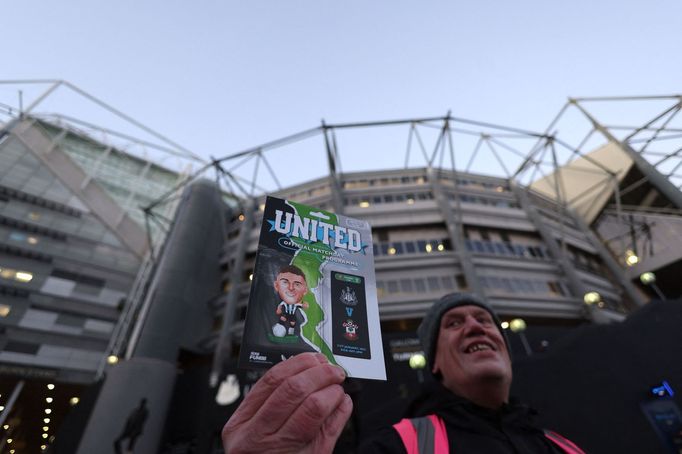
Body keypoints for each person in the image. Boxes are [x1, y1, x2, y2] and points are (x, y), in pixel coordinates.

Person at [222, 293, 585, 453]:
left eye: (486, 321)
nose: (476, 327)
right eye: (455, 323)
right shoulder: (400, 445)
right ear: (435, 363)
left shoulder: (563, 445)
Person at [273, 265, 309, 337]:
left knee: (292, 323)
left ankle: (290, 334)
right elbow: (280, 306)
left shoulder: (296, 304)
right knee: (282, 318)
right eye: (285, 282)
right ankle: (278, 329)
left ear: (305, 290)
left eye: (297, 284)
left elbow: (302, 305)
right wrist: (279, 309)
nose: (291, 288)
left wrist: (304, 305)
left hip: (292, 315)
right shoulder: (284, 303)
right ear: (276, 286)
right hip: (285, 313)